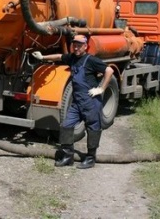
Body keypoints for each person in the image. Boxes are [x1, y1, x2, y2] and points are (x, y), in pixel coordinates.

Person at [32, 35, 114, 169]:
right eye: (74, 45)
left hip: (91, 102)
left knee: (93, 129)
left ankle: (90, 158)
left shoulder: (91, 60)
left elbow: (109, 70)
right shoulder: (72, 58)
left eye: (79, 45)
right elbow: (59, 56)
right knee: (66, 125)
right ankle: (67, 156)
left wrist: (101, 89)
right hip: (77, 102)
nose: (76, 47)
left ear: (85, 46)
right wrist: (43, 58)